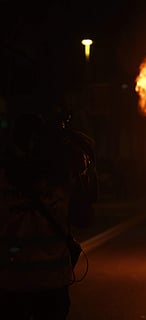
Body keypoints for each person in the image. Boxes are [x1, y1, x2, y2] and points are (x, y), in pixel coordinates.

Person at [0, 112, 97, 319]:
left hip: (10, 283)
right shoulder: (61, 178)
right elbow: (84, 218)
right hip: (51, 284)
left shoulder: (3, 178)